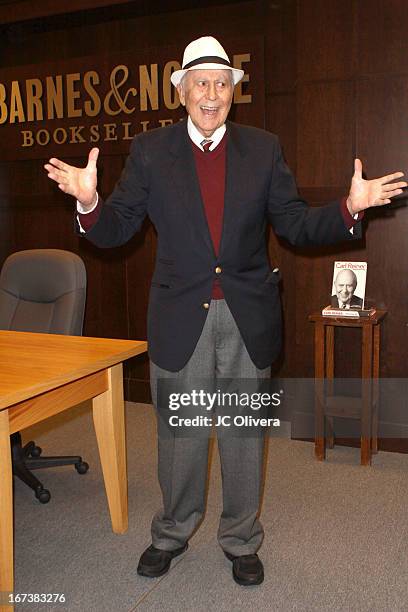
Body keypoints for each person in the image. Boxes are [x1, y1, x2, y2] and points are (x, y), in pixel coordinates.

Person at [44, 36, 406, 586]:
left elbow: (294, 223)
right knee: (180, 434)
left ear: (232, 94)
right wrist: (90, 202)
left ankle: (240, 539)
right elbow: (115, 228)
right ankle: (171, 532)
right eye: (200, 84)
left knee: (242, 433)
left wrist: (349, 208)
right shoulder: (150, 151)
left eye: (221, 85)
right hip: (179, 314)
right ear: (182, 92)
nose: (210, 95)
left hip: (246, 314)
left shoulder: (262, 149)